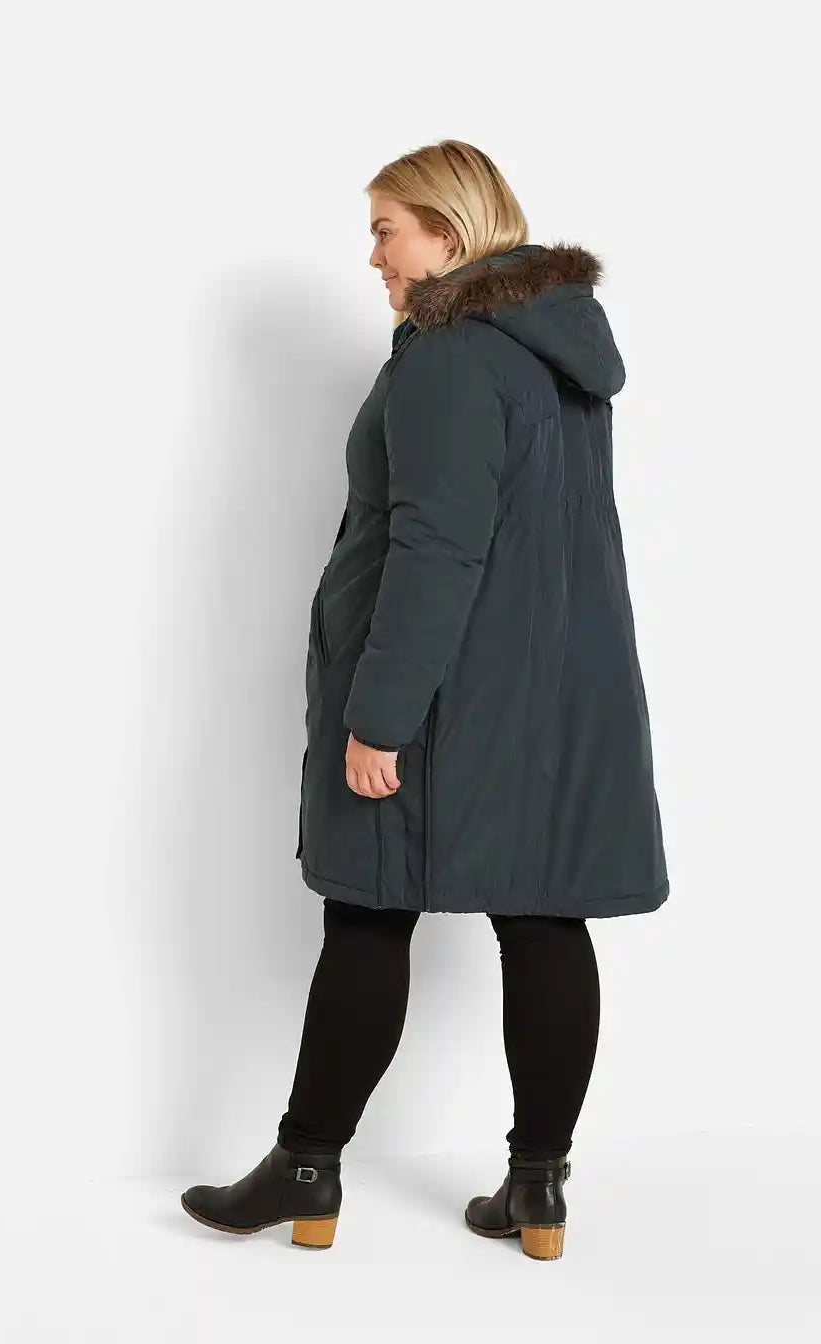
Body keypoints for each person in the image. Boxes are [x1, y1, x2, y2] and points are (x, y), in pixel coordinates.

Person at [181, 139, 668, 1259]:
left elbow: (437, 549)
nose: (374, 258)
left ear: (447, 236)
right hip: (551, 699)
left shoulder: (452, 359)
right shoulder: (553, 352)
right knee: (544, 916)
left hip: (448, 700)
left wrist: (380, 716)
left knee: (367, 909)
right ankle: (537, 1190)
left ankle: (307, 1168)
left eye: (386, 231)